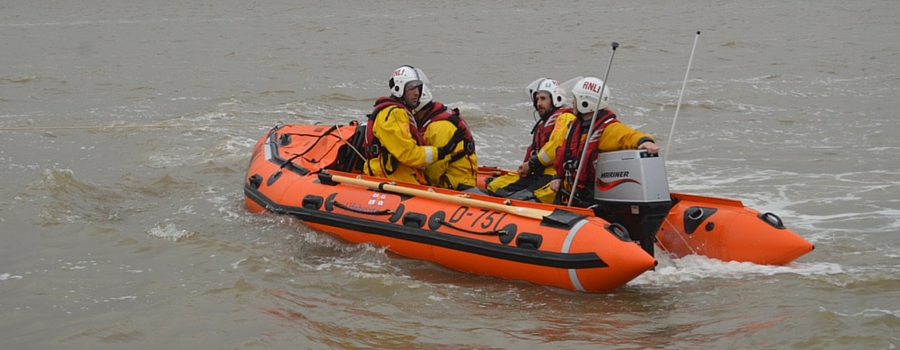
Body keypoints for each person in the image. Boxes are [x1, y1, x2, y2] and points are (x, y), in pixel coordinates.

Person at [549, 76, 660, 206]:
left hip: (588, 196)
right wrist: (557, 177)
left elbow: (629, 136)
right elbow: (563, 156)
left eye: (575, 98)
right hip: (569, 193)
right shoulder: (575, 126)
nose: (572, 102)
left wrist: (645, 141)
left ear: (585, 102)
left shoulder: (608, 129)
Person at [485, 78, 576, 203]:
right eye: (537, 99)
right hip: (538, 173)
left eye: (543, 99)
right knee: (494, 185)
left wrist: (531, 164)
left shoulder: (565, 117)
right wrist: (525, 167)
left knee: (521, 199)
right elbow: (533, 149)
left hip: (552, 176)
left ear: (556, 99)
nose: (538, 103)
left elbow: (553, 148)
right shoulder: (544, 123)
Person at [363, 65, 457, 185]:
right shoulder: (394, 114)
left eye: (418, 88)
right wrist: (439, 152)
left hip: (400, 174)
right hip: (391, 177)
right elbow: (407, 154)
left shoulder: (400, 112)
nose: (417, 93)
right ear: (398, 88)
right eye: (411, 88)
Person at [413, 85, 478, 190]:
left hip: (455, 182)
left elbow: (438, 164)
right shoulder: (434, 120)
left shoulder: (439, 127)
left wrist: (425, 184)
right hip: (452, 177)